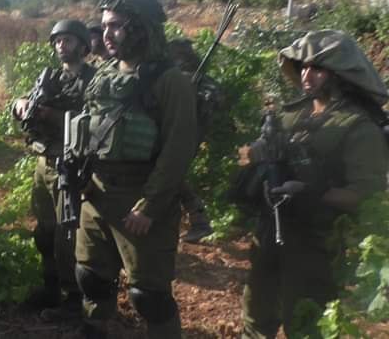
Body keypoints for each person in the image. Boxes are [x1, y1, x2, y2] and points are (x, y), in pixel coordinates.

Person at [238, 30, 389, 338]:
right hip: (270, 231)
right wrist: (255, 156)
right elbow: (254, 155)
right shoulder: (292, 115)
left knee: (305, 326)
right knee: (256, 317)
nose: (306, 75)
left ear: (340, 74)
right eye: (304, 66)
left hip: (315, 244)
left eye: (317, 68)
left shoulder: (359, 128)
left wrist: (313, 192)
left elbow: (366, 194)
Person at [73, 0, 196, 338]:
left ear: (140, 27)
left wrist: (150, 205)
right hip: (95, 194)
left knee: (149, 297)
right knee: (91, 277)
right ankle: (94, 329)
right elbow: (89, 127)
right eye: (104, 26)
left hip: (139, 200)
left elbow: (177, 150)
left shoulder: (170, 81)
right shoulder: (104, 75)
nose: (106, 34)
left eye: (115, 25)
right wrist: (80, 177)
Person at [13, 20, 96, 320]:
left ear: (83, 46)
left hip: (70, 165)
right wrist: (20, 105)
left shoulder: (93, 81)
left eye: (68, 40)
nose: (62, 45)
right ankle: (51, 288)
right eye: (58, 40)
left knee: (67, 236)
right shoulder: (51, 78)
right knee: (44, 232)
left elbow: (94, 123)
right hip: (43, 162)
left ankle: (73, 297)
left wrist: (54, 115)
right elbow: (24, 102)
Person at [166, 38, 214, 243]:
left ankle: (199, 220)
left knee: (171, 174)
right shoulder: (175, 77)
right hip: (174, 132)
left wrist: (193, 92)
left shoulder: (200, 79)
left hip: (188, 134)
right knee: (171, 176)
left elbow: (215, 98)